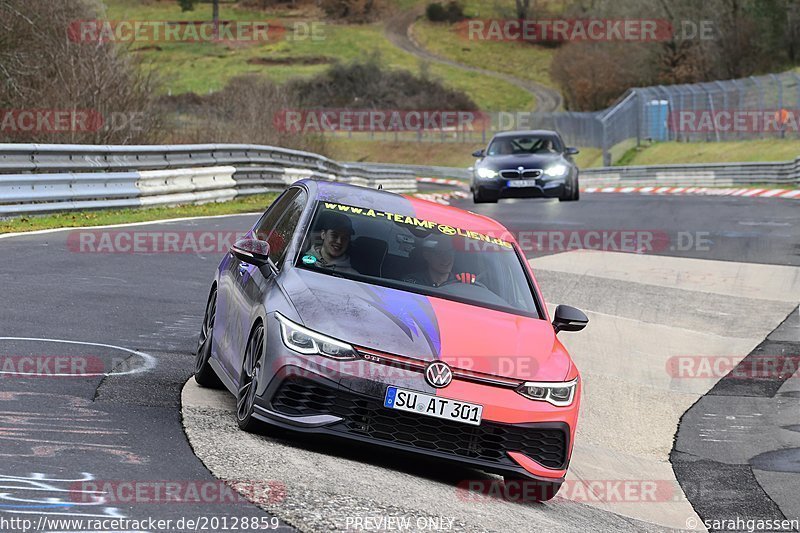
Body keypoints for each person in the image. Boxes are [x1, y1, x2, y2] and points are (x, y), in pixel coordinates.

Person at [404, 237, 477, 287]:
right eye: (439, 253)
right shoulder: (413, 282)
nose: (446, 259)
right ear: (427, 256)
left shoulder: (461, 282)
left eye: (449, 253)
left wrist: (469, 283)